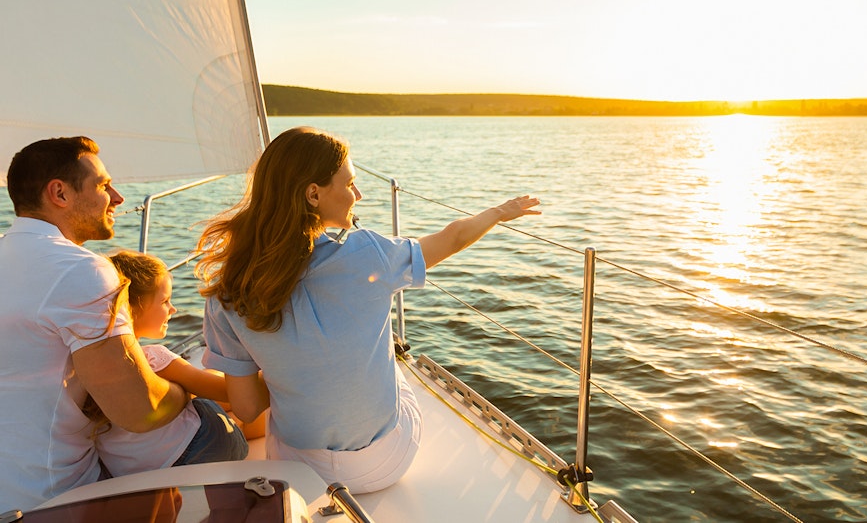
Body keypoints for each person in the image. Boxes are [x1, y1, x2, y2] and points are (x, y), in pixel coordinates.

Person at [198, 126, 540, 493]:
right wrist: (498, 212)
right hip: (385, 462)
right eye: (349, 184)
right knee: (392, 363)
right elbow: (452, 238)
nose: (358, 195)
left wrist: (293, 375)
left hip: (298, 469)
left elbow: (246, 409)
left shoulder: (227, 293)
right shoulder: (369, 254)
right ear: (313, 194)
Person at [0, 136, 190, 511]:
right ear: (59, 193)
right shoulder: (81, 270)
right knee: (215, 431)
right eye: (103, 186)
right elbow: (138, 410)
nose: (117, 197)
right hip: (54, 498)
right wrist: (185, 392)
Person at [82, 251, 249, 476]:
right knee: (217, 404)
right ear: (134, 308)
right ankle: (240, 425)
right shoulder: (154, 359)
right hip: (204, 449)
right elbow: (230, 393)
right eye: (165, 301)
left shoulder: (85, 367)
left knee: (202, 386)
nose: (173, 309)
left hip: (132, 474)